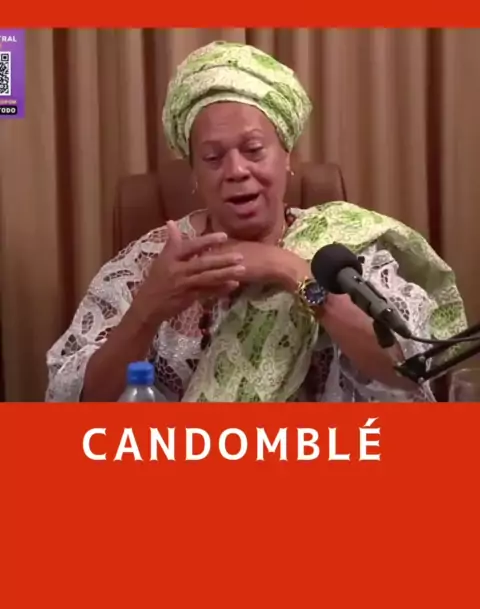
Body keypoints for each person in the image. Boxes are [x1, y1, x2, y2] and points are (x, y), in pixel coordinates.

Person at [45, 41, 467, 403]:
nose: (236, 171)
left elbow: (407, 370)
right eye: (213, 158)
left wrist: (291, 270)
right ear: (194, 173)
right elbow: (76, 403)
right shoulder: (148, 263)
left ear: (287, 157)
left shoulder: (341, 248)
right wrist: (147, 309)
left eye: (253, 150)